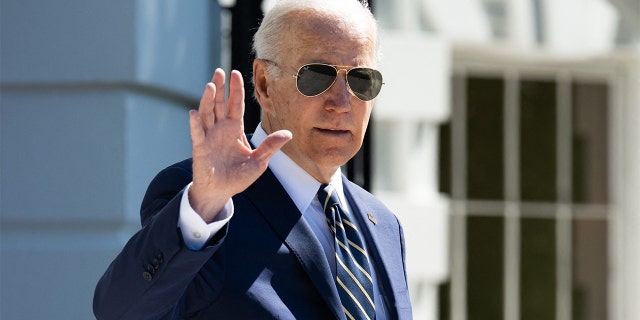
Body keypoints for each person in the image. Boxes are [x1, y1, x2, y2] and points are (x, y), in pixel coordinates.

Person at [93, 0, 412, 319]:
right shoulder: (209, 205)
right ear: (264, 84)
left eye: (361, 80)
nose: (342, 102)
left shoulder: (382, 224)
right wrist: (205, 204)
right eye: (317, 76)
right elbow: (121, 311)